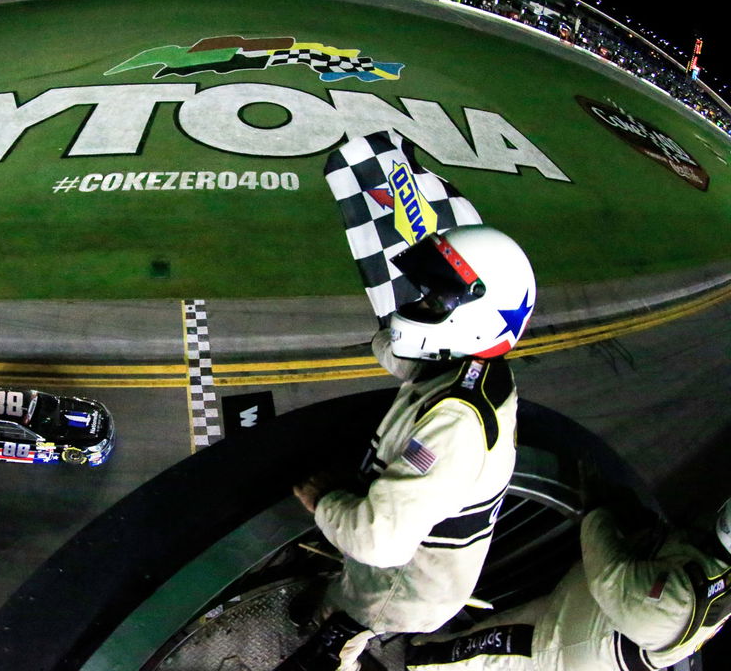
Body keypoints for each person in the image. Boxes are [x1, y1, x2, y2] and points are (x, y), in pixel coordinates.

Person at [284, 225, 537, 670]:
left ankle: (342, 646)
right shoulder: (473, 367)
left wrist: (324, 501)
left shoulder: (455, 423)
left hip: (402, 585)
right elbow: (409, 353)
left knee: (342, 630)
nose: (419, 306)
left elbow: (381, 542)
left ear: (474, 316)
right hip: (415, 565)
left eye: (435, 300)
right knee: (345, 592)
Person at [405, 498, 731, 670]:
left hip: (565, 643)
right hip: (584, 623)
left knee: (463, 658)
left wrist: (598, 514)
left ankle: (402, 662)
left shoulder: (685, 597)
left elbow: (609, 577)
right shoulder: (714, 570)